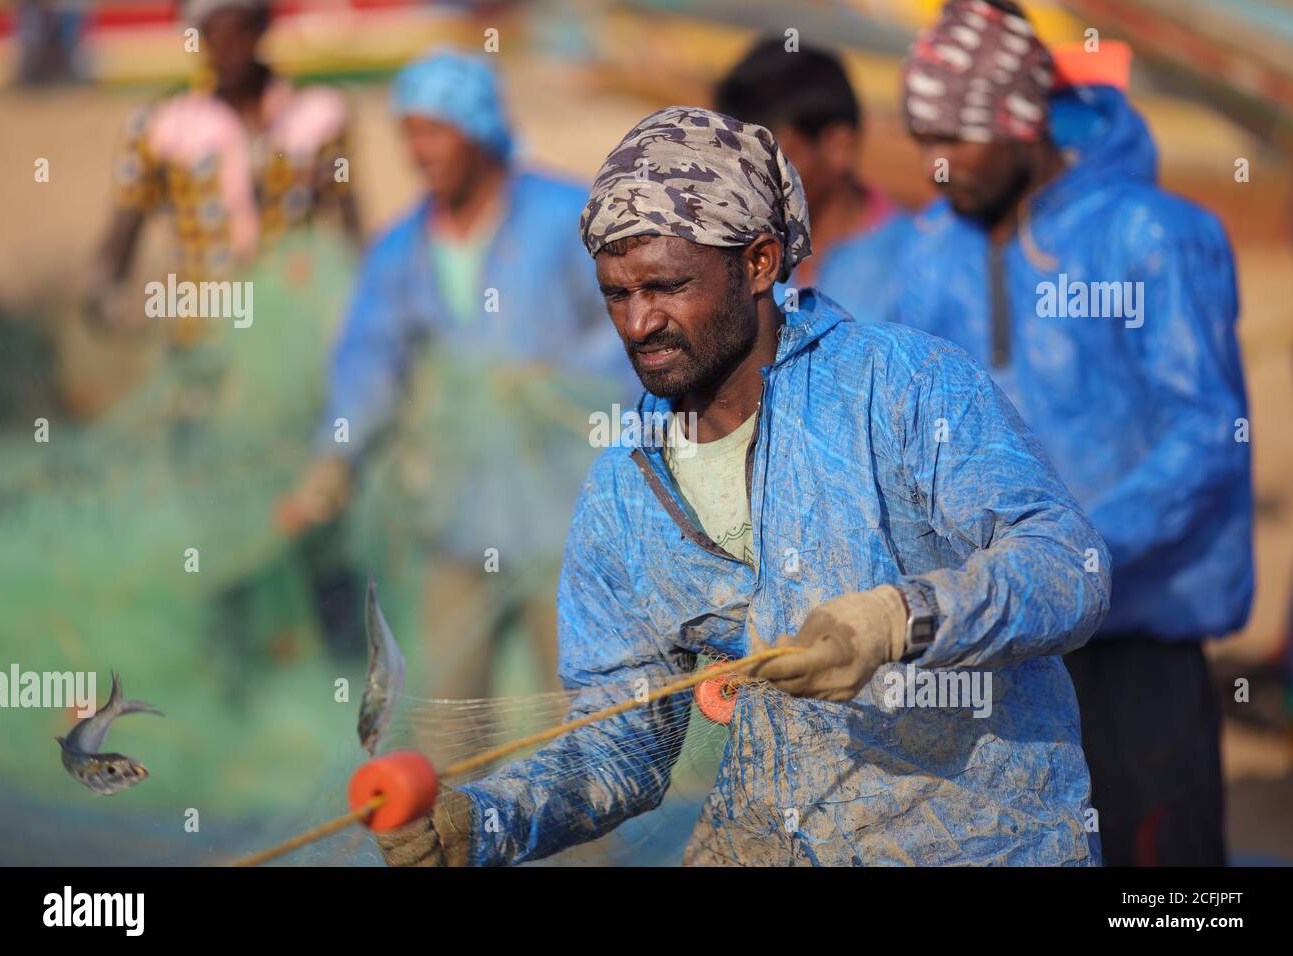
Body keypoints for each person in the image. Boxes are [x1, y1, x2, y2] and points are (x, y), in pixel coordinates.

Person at [375, 105, 1111, 868]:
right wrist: (487, 822)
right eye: (616, 295)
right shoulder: (625, 491)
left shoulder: (901, 386)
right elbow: (617, 746)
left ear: (758, 263)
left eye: (665, 286)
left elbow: (1068, 566)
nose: (636, 323)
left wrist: (899, 619)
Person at [891, 0, 1252, 865]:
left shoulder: (1153, 236)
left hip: (1137, 637)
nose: (937, 168)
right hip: (996, 640)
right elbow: (906, 419)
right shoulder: (932, 247)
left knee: (1161, 880)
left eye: (958, 140)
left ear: (1021, 128)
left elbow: (1208, 435)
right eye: (923, 140)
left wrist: (1070, 555)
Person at [279, 50, 627, 700]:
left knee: (582, 712)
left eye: (434, 131)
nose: (418, 151)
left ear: (479, 131)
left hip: (568, 522)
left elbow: (636, 327)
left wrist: (560, 379)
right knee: (445, 714)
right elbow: (370, 358)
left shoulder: (568, 220)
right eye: (408, 133)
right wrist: (337, 454)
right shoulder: (401, 248)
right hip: (458, 516)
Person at [91, 0, 358, 328]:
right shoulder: (162, 128)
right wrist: (106, 296)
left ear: (262, 29)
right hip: (201, 328)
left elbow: (349, 224)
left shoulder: (317, 119)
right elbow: (124, 227)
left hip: (293, 324)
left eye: (240, 32)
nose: (229, 49)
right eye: (215, 36)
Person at [713, 37, 913, 324]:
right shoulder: (725, 253)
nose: (744, 178)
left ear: (837, 147)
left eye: (766, 159)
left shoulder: (919, 262)